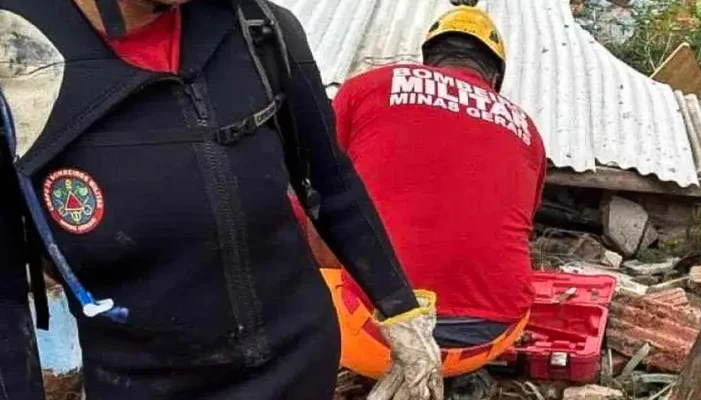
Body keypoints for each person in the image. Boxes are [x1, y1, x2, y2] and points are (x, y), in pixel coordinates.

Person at [0, 0, 442, 399]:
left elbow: (331, 181)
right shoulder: (14, 65)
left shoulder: (258, 30)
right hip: (143, 384)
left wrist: (401, 310)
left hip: (301, 365)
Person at [323, 0, 545, 394]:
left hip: (373, 336)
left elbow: (314, 187)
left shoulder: (369, 86)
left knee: (302, 219)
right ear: (493, 77)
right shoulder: (528, 129)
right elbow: (523, 220)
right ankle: (455, 374)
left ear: (428, 60)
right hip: (491, 336)